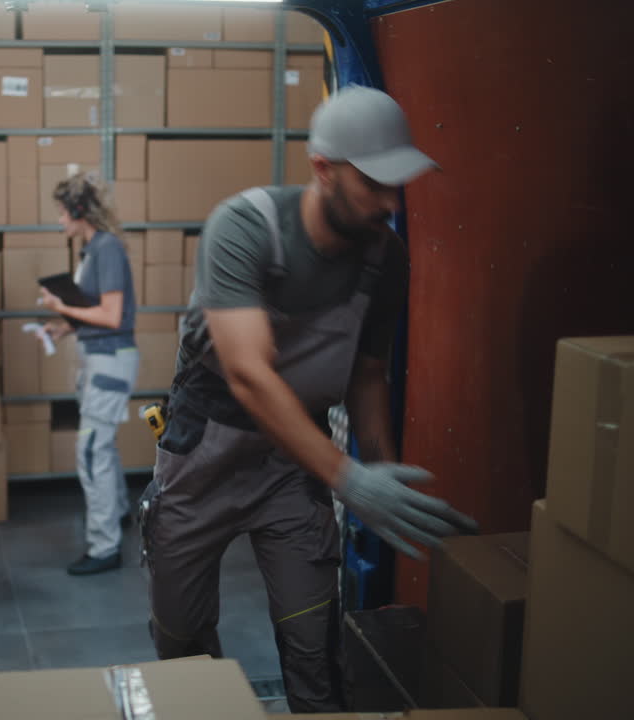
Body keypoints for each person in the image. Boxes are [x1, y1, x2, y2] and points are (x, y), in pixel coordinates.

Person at [139, 86, 478, 711]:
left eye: (395, 185)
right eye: (373, 183)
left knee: (314, 646)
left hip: (292, 471)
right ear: (323, 168)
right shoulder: (244, 227)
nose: (388, 202)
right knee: (182, 644)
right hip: (202, 460)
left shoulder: (386, 258)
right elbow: (247, 373)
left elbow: (368, 374)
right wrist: (348, 477)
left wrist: (378, 475)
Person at [36, 173, 140, 576]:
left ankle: (104, 546)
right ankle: (117, 514)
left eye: (63, 213)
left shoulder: (107, 249)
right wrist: (66, 325)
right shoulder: (92, 250)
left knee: (91, 450)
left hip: (110, 360)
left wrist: (61, 304)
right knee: (103, 445)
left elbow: (113, 316)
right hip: (100, 358)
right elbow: (98, 311)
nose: (60, 220)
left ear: (79, 212)